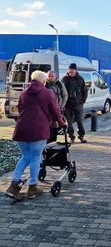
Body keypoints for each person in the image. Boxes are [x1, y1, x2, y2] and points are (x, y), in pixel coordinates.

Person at [6, 70, 65, 200]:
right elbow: (55, 111)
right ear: (43, 81)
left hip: (21, 130)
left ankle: (14, 185)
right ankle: (32, 187)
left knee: (25, 157)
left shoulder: (24, 93)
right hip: (38, 131)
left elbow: (21, 109)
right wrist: (61, 123)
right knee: (35, 157)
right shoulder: (47, 93)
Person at [62, 63, 88, 144]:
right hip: (67, 105)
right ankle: (71, 137)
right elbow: (61, 92)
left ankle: (81, 137)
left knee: (80, 121)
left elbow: (85, 91)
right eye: (70, 70)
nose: (71, 71)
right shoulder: (64, 79)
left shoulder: (80, 79)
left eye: (73, 70)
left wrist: (82, 102)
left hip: (78, 104)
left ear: (76, 70)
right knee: (69, 123)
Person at [46, 70, 68, 142]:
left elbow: (65, 95)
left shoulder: (59, 84)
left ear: (55, 77)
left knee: (55, 125)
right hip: (47, 109)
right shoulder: (44, 83)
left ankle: (53, 140)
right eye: (49, 76)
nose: (50, 77)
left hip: (57, 108)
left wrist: (62, 106)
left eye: (52, 76)